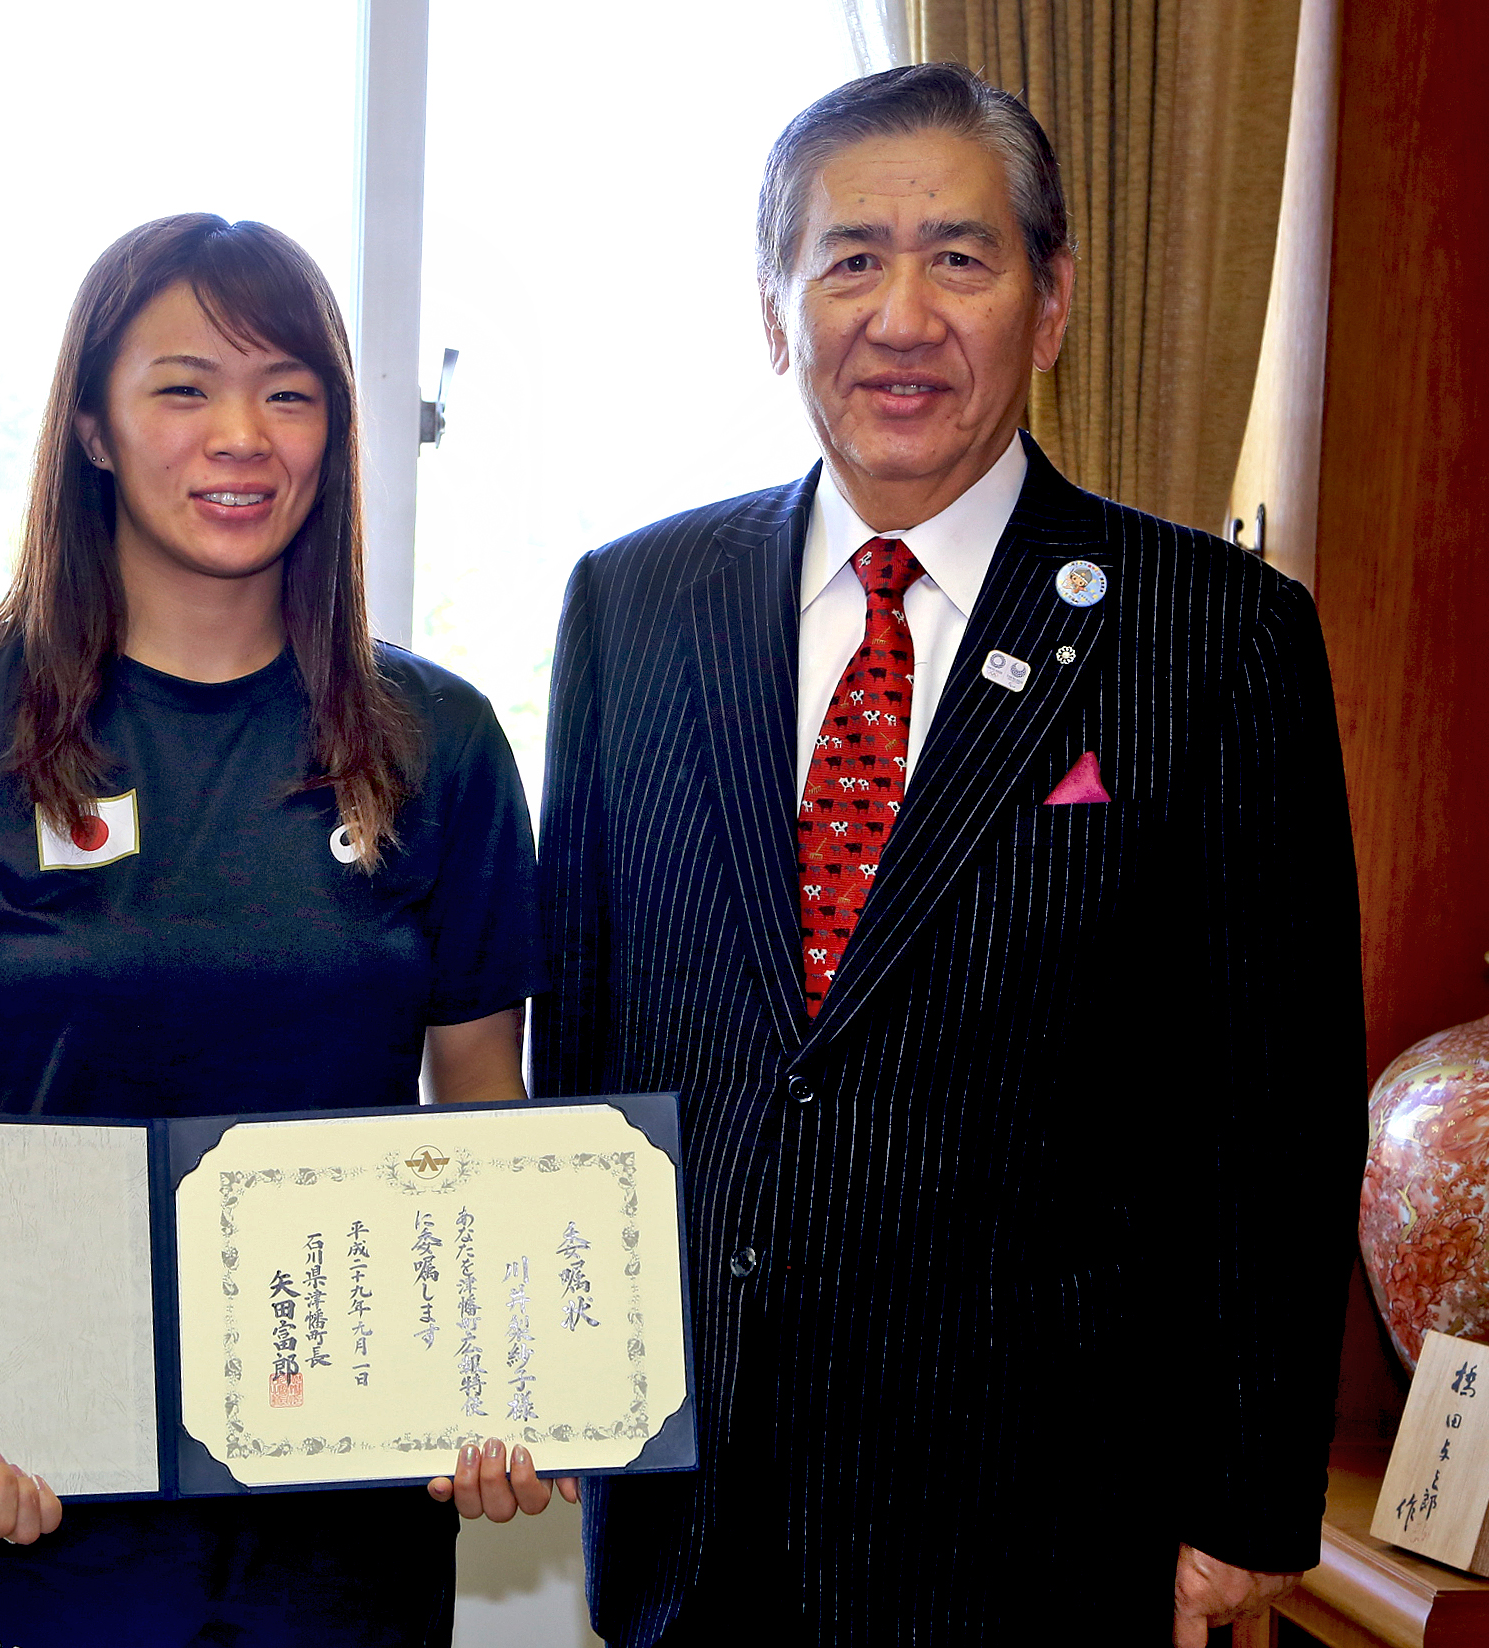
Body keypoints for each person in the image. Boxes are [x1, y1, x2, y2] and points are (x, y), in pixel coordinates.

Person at [534, 64, 1365, 1645]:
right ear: (778, 313)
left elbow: (1281, 1102)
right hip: (699, 1521)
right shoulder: (631, 607)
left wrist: (1245, 1498)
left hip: (1048, 1523)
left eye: (959, 258)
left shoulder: (1216, 634)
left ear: (1050, 304)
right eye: (850, 259)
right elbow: (586, 1029)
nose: (900, 315)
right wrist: (572, 1396)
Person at [0, 213, 546, 1647]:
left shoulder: (436, 739)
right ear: (90, 427)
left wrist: (506, 1384)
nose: (241, 436)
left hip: (345, 1524)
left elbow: (486, 1123)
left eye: (290, 391)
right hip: (36, 1502)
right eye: (184, 388)